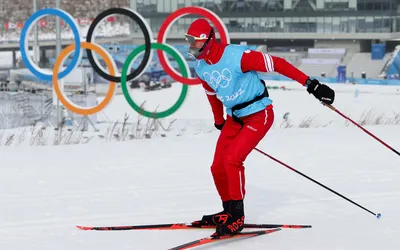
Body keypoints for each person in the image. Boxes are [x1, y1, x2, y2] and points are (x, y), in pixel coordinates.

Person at [185, 18, 335, 237]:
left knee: (232, 159)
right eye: (189, 42)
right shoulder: (201, 66)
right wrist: (219, 120)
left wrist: (312, 85)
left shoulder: (238, 56)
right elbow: (211, 94)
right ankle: (228, 211)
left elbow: (277, 64)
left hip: (258, 114)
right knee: (217, 167)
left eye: (194, 42)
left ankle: (237, 216)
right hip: (234, 118)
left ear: (208, 41)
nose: (191, 47)